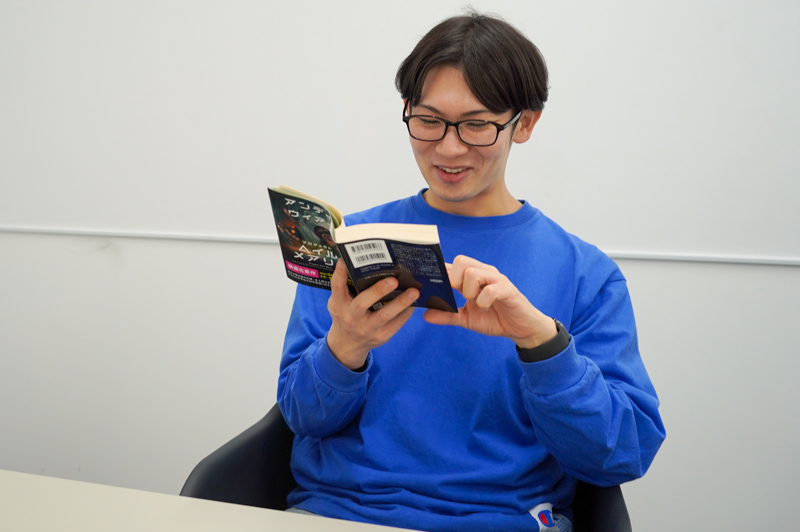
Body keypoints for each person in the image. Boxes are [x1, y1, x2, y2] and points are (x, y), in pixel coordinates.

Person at [277, 11, 665, 532]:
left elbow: (619, 456)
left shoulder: (584, 274)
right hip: (340, 514)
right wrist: (345, 346)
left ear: (524, 124)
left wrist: (541, 345)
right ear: (407, 112)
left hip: (501, 520)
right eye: (428, 120)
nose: (449, 147)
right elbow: (301, 418)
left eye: (477, 125)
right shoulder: (352, 245)